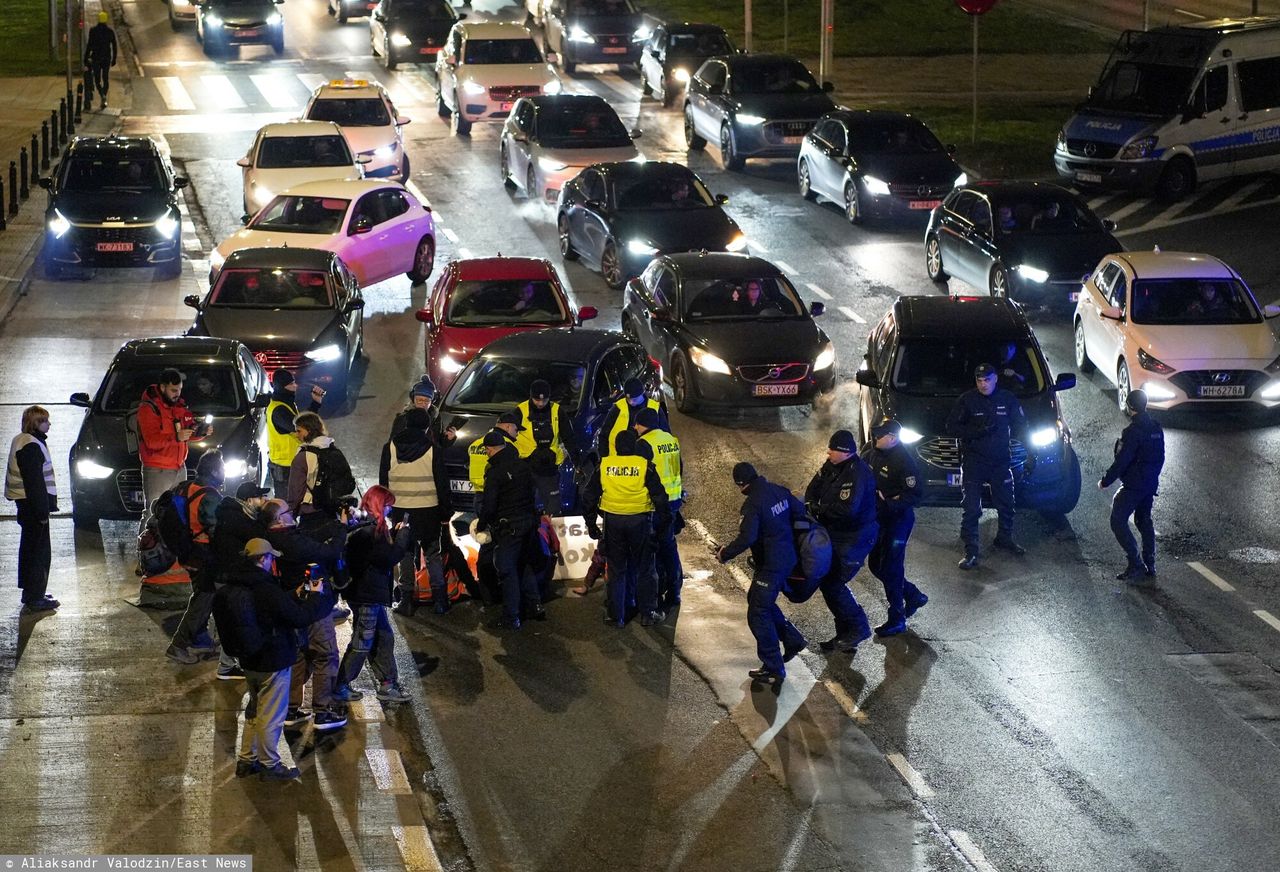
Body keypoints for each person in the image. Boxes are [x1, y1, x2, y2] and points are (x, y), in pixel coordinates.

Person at [217, 537, 335, 781]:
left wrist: (294, 593)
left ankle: (246, 759)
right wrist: (314, 596)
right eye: (271, 558)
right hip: (273, 660)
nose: (273, 563)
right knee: (271, 715)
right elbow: (299, 618)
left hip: (249, 659)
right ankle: (270, 764)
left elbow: (272, 609)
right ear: (263, 559)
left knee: (255, 709)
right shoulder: (265, 587)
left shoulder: (237, 583)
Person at [262, 499, 350, 730]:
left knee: (300, 654)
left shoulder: (271, 538)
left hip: (289, 602)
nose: (292, 513)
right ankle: (323, 710)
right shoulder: (291, 541)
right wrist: (342, 527)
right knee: (325, 654)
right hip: (313, 603)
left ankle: (291, 707)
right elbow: (330, 551)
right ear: (279, 519)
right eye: (287, 511)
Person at [716, 462, 808, 685]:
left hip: (771, 566)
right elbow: (800, 514)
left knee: (757, 612)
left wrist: (725, 553)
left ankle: (773, 667)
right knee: (757, 600)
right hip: (788, 559)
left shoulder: (752, 505)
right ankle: (792, 639)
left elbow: (747, 537)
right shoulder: (779, 490)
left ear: (741, 484)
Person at [335, 486, 414, 703]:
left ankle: (388, 683)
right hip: (367, 594)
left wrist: (394, 535)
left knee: (384, 637)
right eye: (387, 505)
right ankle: (341, 684)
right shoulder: (371, 532)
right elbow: (388, 558)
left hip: (367, 592)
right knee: (363, 641)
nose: (390, 509)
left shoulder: (365, 526)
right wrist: (403, 536)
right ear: (380, 505)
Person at [582, 430, 668, 627]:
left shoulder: (605, 465)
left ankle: (615, 616)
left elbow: (589, 496)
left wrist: (591, 523)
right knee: (645, 569)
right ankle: (648, 613)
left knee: (616, 569)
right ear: (635, 446)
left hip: (613, 522)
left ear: (617, 447)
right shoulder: (644, 465)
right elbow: (660, 498)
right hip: (639, 521)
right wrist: (662, 525)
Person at [947, 363, 1029, 570]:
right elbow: (951, 427)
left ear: (995, 379)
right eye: (979, 380)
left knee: (1006, 503)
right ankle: (971, 550)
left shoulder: (1007, 399)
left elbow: (1021, 426)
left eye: (987, 380)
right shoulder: (967, 400)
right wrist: (976, 431)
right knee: (972, 507)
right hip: (974, 462)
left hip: (1000, 461)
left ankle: (1005, 538)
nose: (983, 384)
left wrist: (1030, 453)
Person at [804, 430, 877, 652]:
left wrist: (819, 509)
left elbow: (847, 510)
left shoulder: (857, 474)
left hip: (855, 537)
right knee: (829, 582)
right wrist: (810, 505)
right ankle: (845, 636)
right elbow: (812, 489)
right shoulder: (831, 466)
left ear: (845, 452)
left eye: (833, 449)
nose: (828, 452)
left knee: (833, 583)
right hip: (836, 534)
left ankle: (858, 628)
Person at [378, 406, 452, 614]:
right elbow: (442, 483)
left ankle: (406, 601)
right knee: (432, 554)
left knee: (405, 553)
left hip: (401, 511)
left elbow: (383, 482)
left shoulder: (390, 448)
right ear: (427, 426)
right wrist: (446, 513)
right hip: (429, 510)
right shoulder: (432, 449)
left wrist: (387, 510)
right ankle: (440, 600)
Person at [861, 418, 927, 636]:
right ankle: (913, 594)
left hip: (898, 521)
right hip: (878, 519)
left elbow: (915, 495)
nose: (875, 437)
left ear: (892, 438)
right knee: (876, 566)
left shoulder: (904, 461)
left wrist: (889, 502)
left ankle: (897, 618)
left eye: (880, 435)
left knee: (891, 567)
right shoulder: (871, 452)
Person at [165, 450, 228, 668]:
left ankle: (200, 638)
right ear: (213, 471)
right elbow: (215, 530)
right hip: (203, 556)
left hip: (186, 553)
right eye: (221, 468)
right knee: (204, 600)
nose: (224, 472)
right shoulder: (209, 495)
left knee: (201, 595)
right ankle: (178, 645)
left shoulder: (186, 487)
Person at [477, 430, 545, 629]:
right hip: (529, 523)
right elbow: (534, 493)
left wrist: (481, 525)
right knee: (524, 565)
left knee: (507, 570)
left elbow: (490, 505)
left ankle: (511, 617)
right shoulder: (523, 465)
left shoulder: (494, 471)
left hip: (509, 527)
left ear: (490, 449)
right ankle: (535, 605)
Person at [1099, 389, 1165, 581]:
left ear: (1130, 407)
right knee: (1144, 521)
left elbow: (1122, 461)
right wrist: (1151, 478)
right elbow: (1161, 457)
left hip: (1134, 486)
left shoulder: (1132, 432)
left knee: (1118, 520)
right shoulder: (1156, 428)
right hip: (1150, 484)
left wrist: (1106, 481)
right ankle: (1150, 563)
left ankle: (1135, 563)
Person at [137, 368, 208, 535]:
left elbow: (185, 433)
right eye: (173, 390)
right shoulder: (148, 409)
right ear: (162, 388)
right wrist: (177, 437)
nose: (177, 394)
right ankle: (145, 550)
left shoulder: (178, 406)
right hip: (158, 469)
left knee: (178, 511)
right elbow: (151, 442)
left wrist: (200, 433)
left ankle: (170, 551)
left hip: (178, 467)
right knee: (153, 512)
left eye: (180, 390)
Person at [5, 406, 59, 614]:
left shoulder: (23, 439)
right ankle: (35, 597)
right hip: (33, 507)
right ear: (35, 423)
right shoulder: (31, 446)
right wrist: (42, 512)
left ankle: (32, 593)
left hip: (26, 505)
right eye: (45, 421)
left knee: (30, 549)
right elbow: (35, 484)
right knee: (38, 552)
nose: (49, 424)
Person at [634, 407, 684, 608]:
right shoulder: (671, 439)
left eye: (636, 424)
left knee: (653, 551)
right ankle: (675, 592)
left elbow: (641, 476)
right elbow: (680, 467)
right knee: (670, 547)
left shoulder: (644, 444)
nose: (634, 427)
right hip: (673, 501)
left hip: (655, 504)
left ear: (642, 424)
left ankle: (654, 596)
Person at [513, 379, 576, 515]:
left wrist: (577, 462)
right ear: (531, 396)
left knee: (553, 504)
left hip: (549, 466)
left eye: (544, 400)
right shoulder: (520, 411)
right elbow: (508, 436)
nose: (541, 403)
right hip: (526, 465)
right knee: (523, 503)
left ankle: (550, 532)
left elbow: (568, 437)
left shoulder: (557, 410)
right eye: (537, 400)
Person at [266, 369, 324, 498]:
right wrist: (315, 404)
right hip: (284, 468)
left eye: (294, 382)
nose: (295, 386)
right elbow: (303, 427)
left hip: (290, 465)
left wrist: (316, 402)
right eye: (291, 384)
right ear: (282, 387)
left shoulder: (287, 404)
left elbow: (302, 423)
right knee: (287, 508)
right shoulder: (279, 411)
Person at [286, 412, 349, 528]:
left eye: (299, 431)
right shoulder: (333, 450)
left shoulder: (302, 457)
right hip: (333, 510)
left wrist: (291, 513)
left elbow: (296, 490)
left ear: (309, 430)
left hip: (310, 511)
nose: (296, 434)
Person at [598, 377, 668, 458]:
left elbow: (665, 435)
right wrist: (603, 459)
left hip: (646, 462)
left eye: (634, 399)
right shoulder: (618, 407)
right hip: (618, 462)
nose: (631, 402)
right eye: (628, 399)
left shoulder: (655, 408)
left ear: (642, 394)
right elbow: (604, 435)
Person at [389, 375, 457, 443]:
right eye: (419, 400)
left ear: (432, 402)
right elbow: (392, 446)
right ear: (413, 399)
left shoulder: (435, 417)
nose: (423, 403)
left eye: (427, 400)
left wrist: (448, 439)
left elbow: (438, 442)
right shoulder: (402, 419)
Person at [83, 11, 117, 110]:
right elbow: (114, 46)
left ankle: (102, 94)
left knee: (97, 79)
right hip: (106, 58)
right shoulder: (110, 32)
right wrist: (114, 58)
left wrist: (86, 57)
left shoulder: (93, 31)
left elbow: (89, 45)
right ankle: (104, 96)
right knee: (105, 78)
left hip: (96, 58)